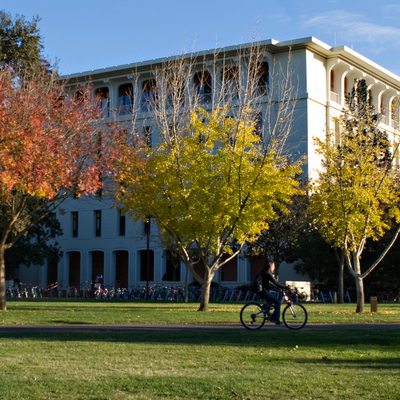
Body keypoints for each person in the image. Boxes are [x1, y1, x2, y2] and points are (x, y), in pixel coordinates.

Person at [259, 259, 289, 325]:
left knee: (272, 301)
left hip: (262, 292)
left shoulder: (264, 273)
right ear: (271, 266)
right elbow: (275, 282)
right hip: (264, 292)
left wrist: (279, 288)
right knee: (278, 303)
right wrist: (285, 287)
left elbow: (271, 284)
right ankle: (275, 319)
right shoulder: (268, 274)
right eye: (274, 266)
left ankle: (266, 308)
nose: (274, 268)